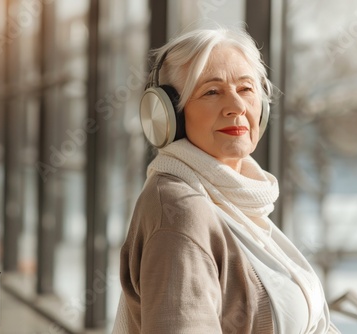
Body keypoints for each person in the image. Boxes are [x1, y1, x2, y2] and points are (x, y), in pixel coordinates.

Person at [113, 27, 340, 334]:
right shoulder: (180, 211)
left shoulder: (236, 203)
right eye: (211, 91)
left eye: (246, 89)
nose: (237, 106)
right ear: (169, 115)